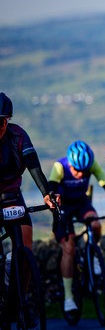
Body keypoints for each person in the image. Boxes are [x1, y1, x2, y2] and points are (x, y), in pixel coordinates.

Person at [48, 140, 105, 312]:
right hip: (63, 206)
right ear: (70, 164)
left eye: (84, 171)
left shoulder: (92, 164)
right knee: (69, 247)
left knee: (95, 224)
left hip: (81, 203)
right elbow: (51, 194)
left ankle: (93, 254)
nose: (80, 175)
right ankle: (68, 297)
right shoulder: (59, 166)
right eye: (77, 170)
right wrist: (57, 220)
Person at [0, 92, 59, 260]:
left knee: (26, 251)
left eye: (1, 122)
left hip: (12, 196)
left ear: (8, 120)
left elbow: (33, 165)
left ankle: (19, 273)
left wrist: (47, 194)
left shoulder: (18, 135)